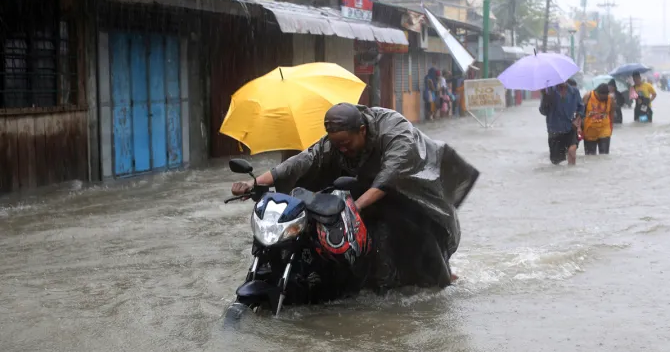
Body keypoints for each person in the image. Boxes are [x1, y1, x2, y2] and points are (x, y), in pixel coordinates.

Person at [231, 103, 479, 291]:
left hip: (413, 195)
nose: (343, 149)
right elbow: (304, 160)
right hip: (368, 192)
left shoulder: (395, 130)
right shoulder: (337, 141)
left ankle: (443, 280)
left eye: (347, 143)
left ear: (362, 130)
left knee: (422, 243)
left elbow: (390, 176)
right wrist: (255, 182)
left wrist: (353, 208)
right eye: (337, 145)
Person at [539, 81, 584, 165]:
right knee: (557, 162)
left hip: (570, 127)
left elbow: (581, 108)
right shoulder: (549, 92)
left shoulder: (574, 91)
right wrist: (545, 96)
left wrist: (577, 119)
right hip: (555, 130)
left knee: (572, 151)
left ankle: (572, 171)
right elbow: (543, 111)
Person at [582, 83, 614, 155]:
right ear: (597, 93)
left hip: (604, 130)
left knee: (604, 156)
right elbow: (581, 113)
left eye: (606, 96)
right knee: (590, 156)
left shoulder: (610, 98)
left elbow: (612, 113)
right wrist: (580, 128)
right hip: (589, 131)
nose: (604, 98)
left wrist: (611, 127)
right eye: (602, 97)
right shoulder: (588, 96)